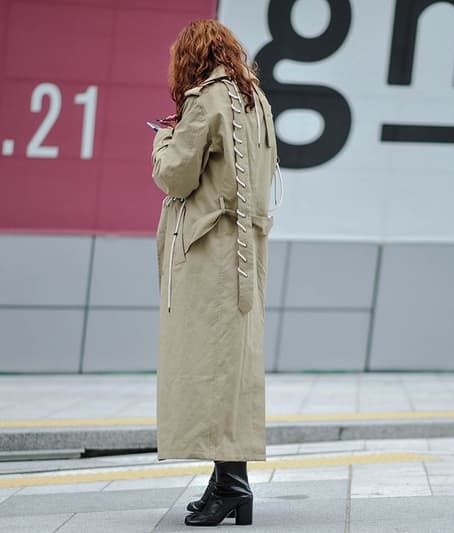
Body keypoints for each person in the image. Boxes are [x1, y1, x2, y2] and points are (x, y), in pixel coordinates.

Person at [150, 19, 277, 527]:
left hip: (210, 253)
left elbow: (176, 175)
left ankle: (232, 484)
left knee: (207, 369)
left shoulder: (206, 100)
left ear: (190, 60)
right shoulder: (256, 101)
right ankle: (228, 484)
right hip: (247, 251)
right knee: (233, 370)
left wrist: (163, 138)